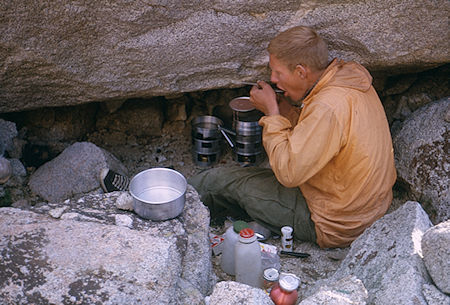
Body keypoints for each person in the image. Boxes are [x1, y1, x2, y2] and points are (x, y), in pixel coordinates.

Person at [188, 26, 397, 248]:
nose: (273, 79)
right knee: (252, 179)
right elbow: (322, 135)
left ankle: (167, 209)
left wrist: (272, 114)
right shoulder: (347, 81)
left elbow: (288, 174)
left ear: (300, 71)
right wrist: (287, 111)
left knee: (217, 181)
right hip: (367, 208)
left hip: (334, 223)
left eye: (278, 73)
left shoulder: (327, 107)